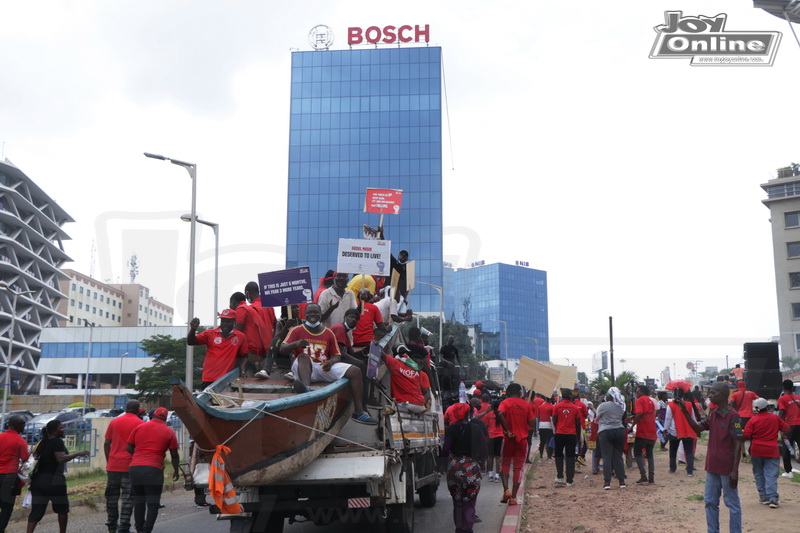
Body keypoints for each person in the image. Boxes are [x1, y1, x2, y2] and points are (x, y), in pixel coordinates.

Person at [279, 303, 378, 425]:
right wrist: (296, 344)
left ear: (320, 315)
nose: (313, 315)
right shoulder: (297, 330)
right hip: (303, 369)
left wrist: (330, 362)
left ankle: (359, 412)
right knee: (303, 356)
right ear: (305, 315)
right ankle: (307, 391)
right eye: (310, 312)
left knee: (356, 371)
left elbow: (337, 355)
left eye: (316, 312)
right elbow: (282, 348)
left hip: (322, 367)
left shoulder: (328, 333)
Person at [676, 382, 743, 533]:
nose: (709, 396)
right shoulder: (713, 414)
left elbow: (738, 442)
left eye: (713, 393)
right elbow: (698, 428)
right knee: (710, 502)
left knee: (732, 504)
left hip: (726, 469)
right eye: (709, 393)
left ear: (723, 395)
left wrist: (735, 470)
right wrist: (685, 412)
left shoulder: (734, 417)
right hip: (712, 466)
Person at [26, 419, 90, 533]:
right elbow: (60, 459)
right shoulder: (57, 442)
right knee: (62, 510)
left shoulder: (42, 442)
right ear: (54, 431)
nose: (64, 429)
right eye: (61, 428)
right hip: (54, 481)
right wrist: (78, 453)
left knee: (36, 512)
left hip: (38, 481)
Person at [126, 407, 180, 533]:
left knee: (139, 501)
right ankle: (146, 531)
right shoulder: (169, 432)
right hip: (153, 470)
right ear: (165, 418)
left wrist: (139, 457)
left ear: (153, 416)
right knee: (153, 503)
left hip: (135, 468)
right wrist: (176, 470)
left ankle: (139, 529)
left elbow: (129, 447)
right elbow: (174, 455)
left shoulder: (139, 427)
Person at [441, 402, 488, 533]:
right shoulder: (476, 428)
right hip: (471, 467)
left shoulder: (450, 429)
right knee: (469, 502)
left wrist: (445, 465)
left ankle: (459, 529)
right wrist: (480, 462)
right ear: (469, 414)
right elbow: (484, 448)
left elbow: (445, 450)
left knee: (457, 501)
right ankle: (468, 529)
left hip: (454, 467)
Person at [104, 400, 144, 533]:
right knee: (128, 497)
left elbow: (106, 443)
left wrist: (109, 460)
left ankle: (111, 525)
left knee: (111, 497)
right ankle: (124, 526)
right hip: (130, 466)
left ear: (126, 408)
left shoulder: (114, 422)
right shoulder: (140, 424)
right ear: (138, 410)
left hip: (113, 465)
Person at [743, 398, 790, 508]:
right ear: (767, 407)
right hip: (772, 450)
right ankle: (773, 498)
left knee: (759, 474)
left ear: (756, 409)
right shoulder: (775, 418)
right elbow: (786, 428)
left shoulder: (752, 420)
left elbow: (747, 435)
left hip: (756, 450)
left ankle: (763, 497)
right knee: (771, 474)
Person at [188, 309, 248, 388]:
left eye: (228, 321)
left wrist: (242, 371)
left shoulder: (240, 336)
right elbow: (191, 342)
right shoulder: (209, 333)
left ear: (234, 322)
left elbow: (244, 356)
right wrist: (193, 330)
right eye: (223, 321)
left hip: (227, 380)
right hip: (209, 379)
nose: (225, 324)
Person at [497, 383, 535, 503]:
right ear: (520, 393)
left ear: (508, 392)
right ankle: (513, 497)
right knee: (518, 468)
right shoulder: (526, 405)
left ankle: (506, 491)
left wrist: (507, 431)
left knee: (505, 465)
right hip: (522, 440)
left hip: (508, 439)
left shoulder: (505, 403)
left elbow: (500, 414)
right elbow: (533, 423)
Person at [0, 414, 29, 532]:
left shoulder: (0, 437)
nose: (24, 426)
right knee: (7, 507)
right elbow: (26, 459)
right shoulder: (20, 441)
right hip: (9, 476)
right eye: (23, 424)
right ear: (18, 425)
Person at [596, 387, 627, 490]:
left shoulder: (603, 406)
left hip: (605, 431)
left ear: (608, 396)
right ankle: (621, 481)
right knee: (618, 457)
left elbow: (597, 417)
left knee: (606, 457)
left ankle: (607, 482)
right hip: (619, 431)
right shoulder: (621, 406)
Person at [551, 388, 583, 487]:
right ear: (571, 396)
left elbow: (554, 420)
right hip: (571, 435)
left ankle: (560, 476)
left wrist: (557, 428)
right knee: (570, 456)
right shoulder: (575, 408)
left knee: (559, 454)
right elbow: (578, 424)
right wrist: (578, 437)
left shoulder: (557, 407)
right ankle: (569, 480)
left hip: (560, 433)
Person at [664, 389, 697, 476]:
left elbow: (668, 419)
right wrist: (696, 428)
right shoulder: (689, 404)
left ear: (674, 395)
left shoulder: (670, 405)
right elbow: (693, 417)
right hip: (688, 430)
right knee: (689, 451)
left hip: (674, 431)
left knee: (673, 450)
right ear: (684, 396)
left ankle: (672, 468)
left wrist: (665, 429)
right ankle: (690, 471)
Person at [630, 384, 658, 484]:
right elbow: (647, 413)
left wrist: (632, 426)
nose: (636, 393)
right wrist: (634, 417)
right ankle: (651, 477)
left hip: (643, 431)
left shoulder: (640, 400)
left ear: (641, 392)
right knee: (650, 454)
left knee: (637, 453)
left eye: (637, 391)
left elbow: (640, 414)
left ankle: (643, 476)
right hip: (652, 431)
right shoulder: (651, 400)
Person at [729, 381, 758, 461]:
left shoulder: (735, 394)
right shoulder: (751, 393)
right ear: (745, 385)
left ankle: (744, 456)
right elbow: (759, 399)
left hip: (739, 418)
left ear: (737, 386)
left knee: (739, 436)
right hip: (751, 418)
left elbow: (729, 403)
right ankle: (751, 453)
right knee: (753, 436)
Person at [777, 379, 800, 478]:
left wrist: (780, 427)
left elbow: (781, 412)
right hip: (799, 426)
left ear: (783, 387)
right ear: (792, 387)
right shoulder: (798, 398)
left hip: (788, 427)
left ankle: (788, 472)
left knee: (786, 449)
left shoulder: (782, 399)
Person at [537, 396, 555, 464]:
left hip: (541, 425)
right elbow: (553, 418)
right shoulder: (552, 407)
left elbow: (538, 416)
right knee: (549, 442)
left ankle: (541, 457)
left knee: (542, 442)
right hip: (549, 426)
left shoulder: (540, 407)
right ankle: (549, 457)